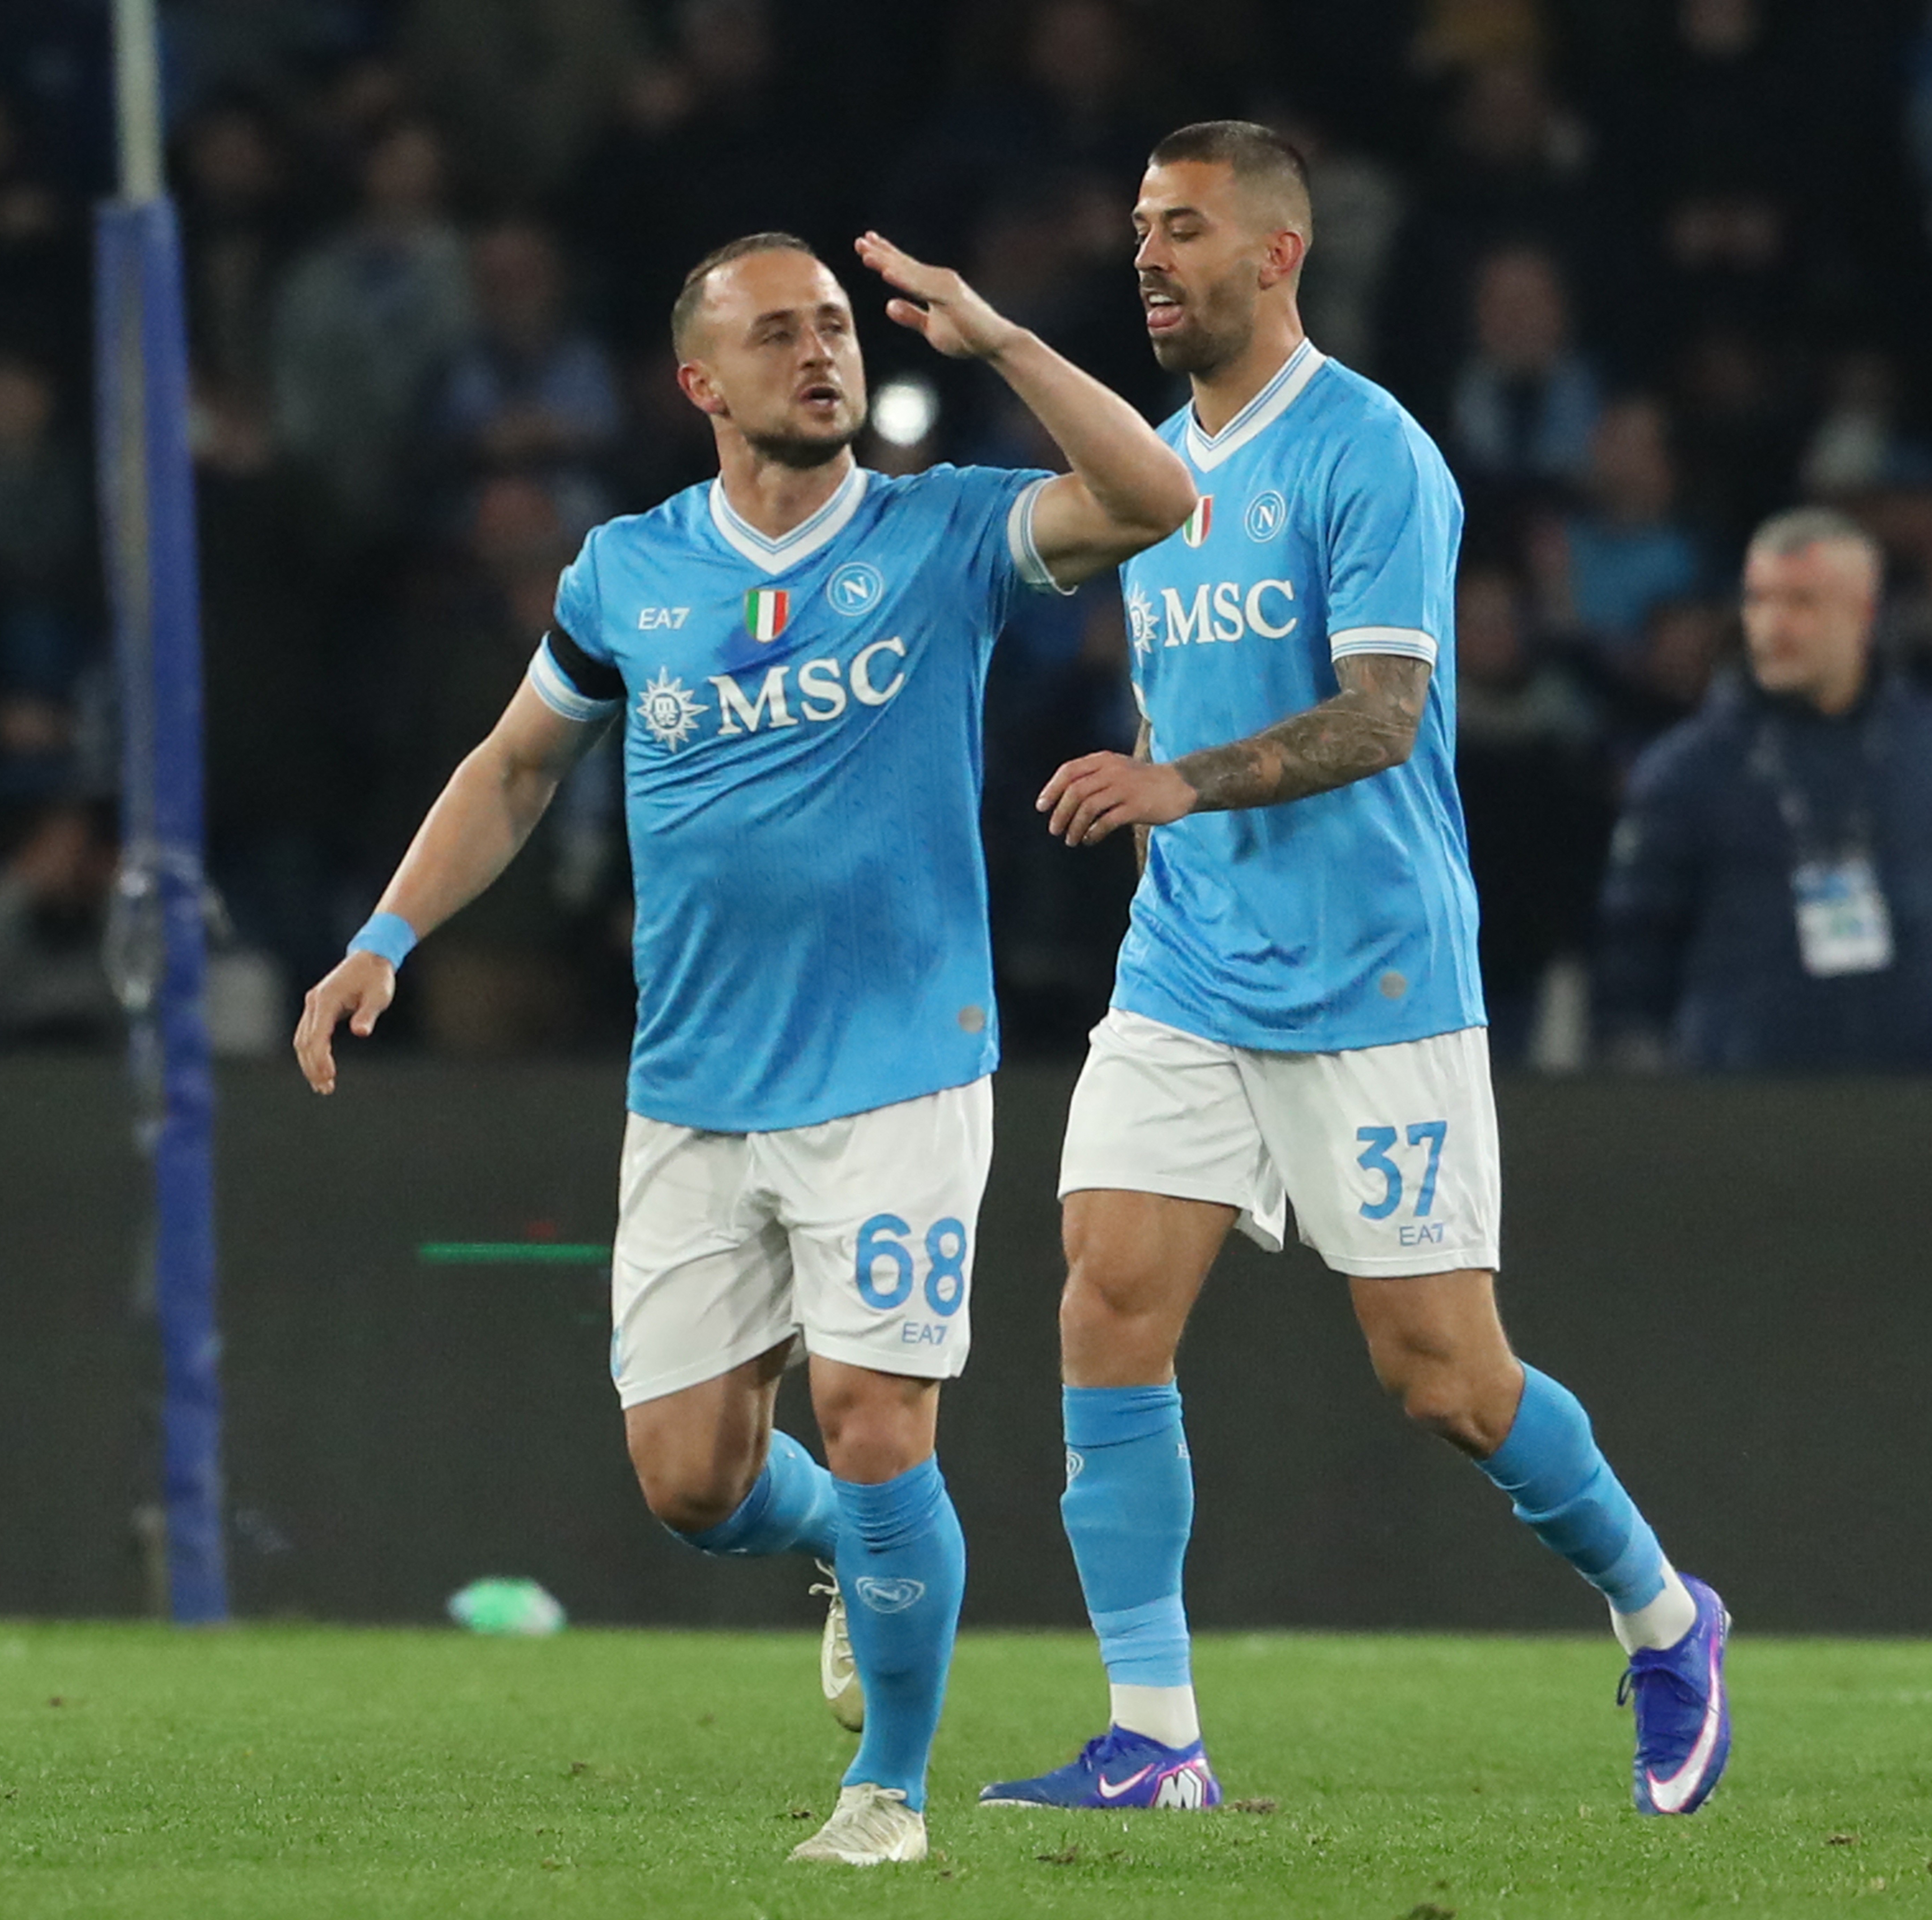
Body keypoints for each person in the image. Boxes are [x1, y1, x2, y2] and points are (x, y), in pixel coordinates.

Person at [293, 232, 1194, 1864]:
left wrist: (993, 341)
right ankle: (854, 1556)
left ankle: (887, 1795)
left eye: (837, 326)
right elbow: (511, 769)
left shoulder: (946, 535)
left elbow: (1149, 500)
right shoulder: (625, 573)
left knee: (870, 1414)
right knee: (692, 1480)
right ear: (701, 382)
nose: (820, 354)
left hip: (901, 1064)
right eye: (778, 334)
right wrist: (382, 939)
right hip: (697, 1084)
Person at [981, 121, 1732, 1820]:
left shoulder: (1370, 455)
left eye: (1181, 229)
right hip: (1187, 965)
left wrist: (1178, 780)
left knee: (1444, 1381)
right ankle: (1155, 1736)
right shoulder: (1149, 472)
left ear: (1276, 254)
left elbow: (1386, 713)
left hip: (1374, 982)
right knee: (1103, 1296)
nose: (1148, 258)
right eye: (1136, 231)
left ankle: (1666, 1614)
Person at [1596, 508, 1932, 1074]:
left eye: (1801, 603)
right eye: (1758, 600)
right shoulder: (1686, 770)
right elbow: (1632, 960)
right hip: (1740, 1115)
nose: (1772, 626)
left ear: (1864, 614)